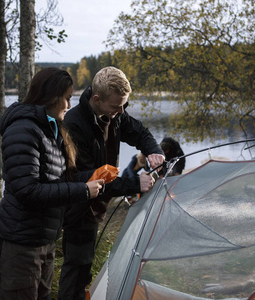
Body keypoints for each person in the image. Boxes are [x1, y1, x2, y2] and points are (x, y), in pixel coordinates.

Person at [0, 68, 104, 300]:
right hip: (19, 245)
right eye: (67, 97)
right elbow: (27, 190)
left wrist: (93, 176)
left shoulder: (49, 129)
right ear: (52, 96)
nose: (69, 105)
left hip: (43, 240)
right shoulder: (23, 130)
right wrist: (83, 191)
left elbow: (57, 181)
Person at [58, 66, 165, 300]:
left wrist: (153, 151)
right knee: (76, 268)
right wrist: (134, 184)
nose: (120, 111)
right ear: (96, 99)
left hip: (97, 203)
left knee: (83, 269)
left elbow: (140, 132)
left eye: (124, 106)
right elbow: (88, 178)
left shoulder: (114, 113)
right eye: (116, 106)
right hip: (79, 205)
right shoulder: (75, 124)